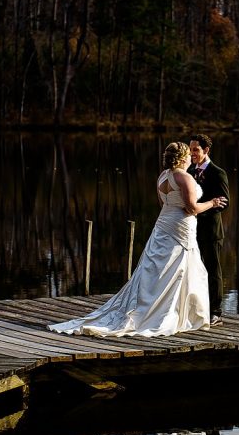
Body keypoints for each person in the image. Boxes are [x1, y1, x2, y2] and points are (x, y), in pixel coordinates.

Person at [48, 141, 228, 337]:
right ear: (183, 157)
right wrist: (212, 202)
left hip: (163, 224)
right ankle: (174, 312)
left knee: (156, 269)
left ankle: (154, 306)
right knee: (178, 267)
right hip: (181, 227)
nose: (190, 159)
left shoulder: (162, 177)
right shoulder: (183, 177)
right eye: (188, 155)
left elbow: (164, 203)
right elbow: (191, 208)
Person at [187, 134, 229, 327]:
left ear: (206, 151)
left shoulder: (217, 173)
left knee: (213, 271)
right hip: (190, 230)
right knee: (193, 270)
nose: (192, 153)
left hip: (211, 231)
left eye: (196, 149)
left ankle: (216, 313)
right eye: (190, 149)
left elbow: (224, 203)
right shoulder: (188, 170)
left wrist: (199, 210)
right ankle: (196, 308)